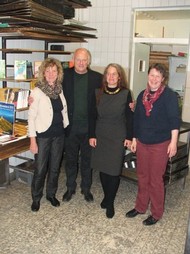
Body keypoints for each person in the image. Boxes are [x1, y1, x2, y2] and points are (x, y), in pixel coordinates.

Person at [126, 63, 180, 225]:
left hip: (160, 144)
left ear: (163, 78)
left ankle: (156, 213)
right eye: (152, 75)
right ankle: (140, 207)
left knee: (155, 179)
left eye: (158, 76)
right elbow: (137, 120)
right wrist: (134, 139)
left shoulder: (169, 96)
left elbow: (174, 120)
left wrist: (174, 142)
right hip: (142, 142)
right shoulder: (143, 94)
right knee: (142, 176)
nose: (154, 79)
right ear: (148, 76)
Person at [89, 63, 133, 218]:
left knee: (114, 171)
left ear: (119, 77)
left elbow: (129, 116)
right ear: (105, 76)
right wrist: (92, 135)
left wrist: (129, 137)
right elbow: (92, 116)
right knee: (103, 168)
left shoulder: (126, 93)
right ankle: (107, 197)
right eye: (109, 73)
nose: (112, 77)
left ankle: (109, 201)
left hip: (117, 135)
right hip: (101, 134)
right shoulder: (97, 92)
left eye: (115, 74)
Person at [28, 58, 69, 212]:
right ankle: (36, 198)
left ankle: (51, 194)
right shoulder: (37, 91)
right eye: (48, 71)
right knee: (40, 169)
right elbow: (31, 118)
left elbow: (62, 110)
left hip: (59, 134)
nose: (51, 74)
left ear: (58, 73)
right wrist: (33, 141)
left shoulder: (60, 89)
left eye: (54, 70)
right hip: (43, 136)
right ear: (43, 73)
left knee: (54, 168)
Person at [62, 48, 103, 202]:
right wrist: (33, 96)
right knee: (70, 160)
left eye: (84, 60)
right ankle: (70, 188)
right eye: (78, 59)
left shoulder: (97, 78)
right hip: (70, 127)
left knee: (87, 160)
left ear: (89, 61)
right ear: (74, 59)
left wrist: (129, 103)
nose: (81, 62)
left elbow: (113, 90)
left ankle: (86, 189)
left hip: (88, 128)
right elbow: (49, 87)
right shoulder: (64, 75)